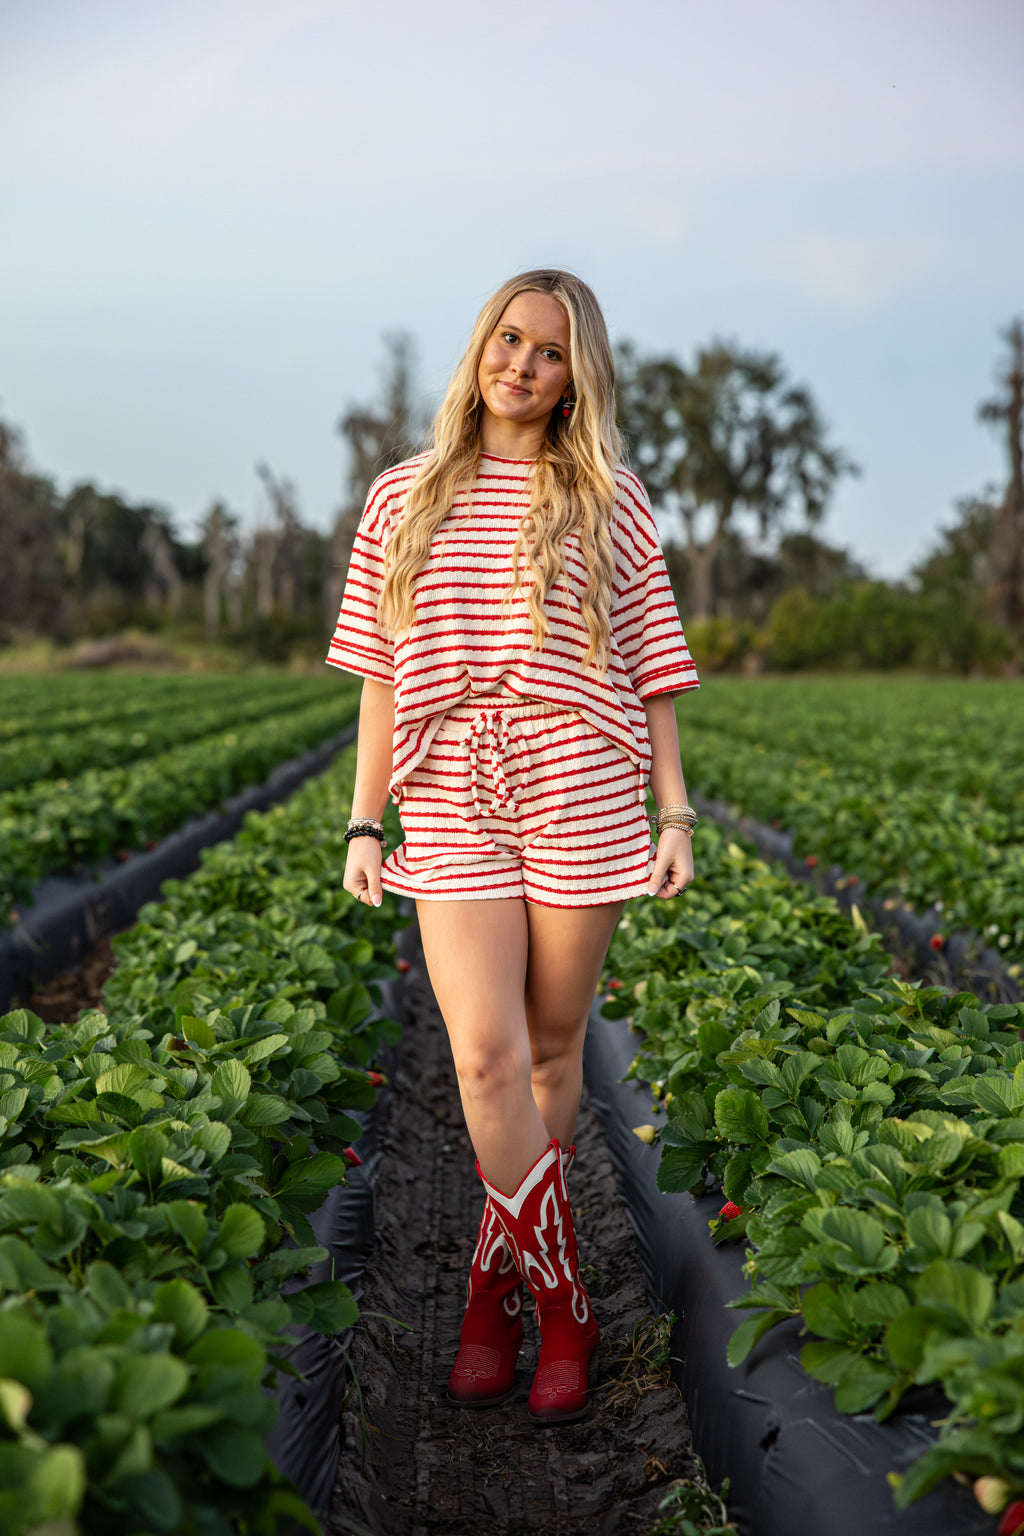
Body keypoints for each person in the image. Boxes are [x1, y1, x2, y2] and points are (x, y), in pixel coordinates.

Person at [327, 269, 698, 1425]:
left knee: (548, 1063)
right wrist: (362, 816)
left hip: (582, 788)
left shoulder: (609, 497)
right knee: (483, 1062)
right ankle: (568, 1301)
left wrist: (673, 812)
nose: (522, 366)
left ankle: (492, 1296)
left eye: (549, 352)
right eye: (508, 339)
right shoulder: (404, 494)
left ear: (575, 375)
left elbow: (652, 667)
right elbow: (382, 676)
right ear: (479, 347)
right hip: (450, 793)